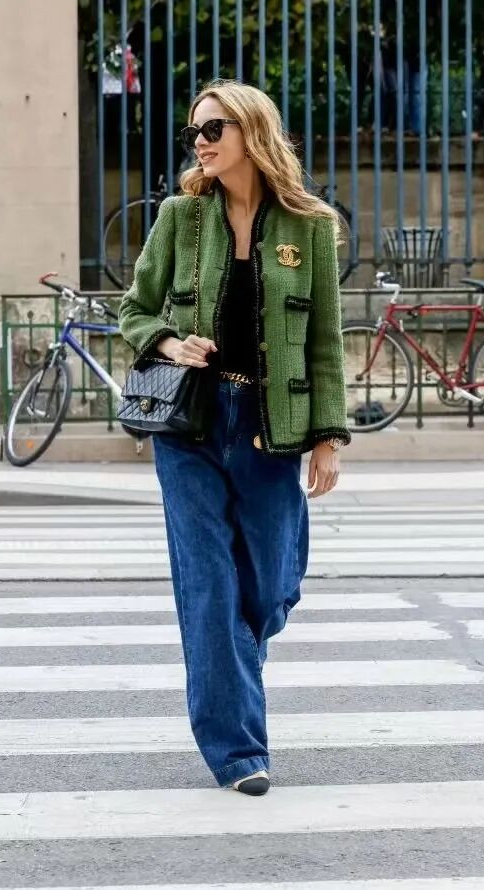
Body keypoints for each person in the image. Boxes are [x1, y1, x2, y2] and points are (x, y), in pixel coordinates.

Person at [118, 78, 351, 796]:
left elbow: (324, 340)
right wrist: (167, 342)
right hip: (190, 425)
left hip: (268, 428)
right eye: (194, 131)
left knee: (272, 587)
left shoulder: (308, 227)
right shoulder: (180, 217)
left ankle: (232, 672)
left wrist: (327, 437)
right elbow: (133, 310)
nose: (201, 142)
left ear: (253, 132)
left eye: (214, 128)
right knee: (209, 588)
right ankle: (237, 750)